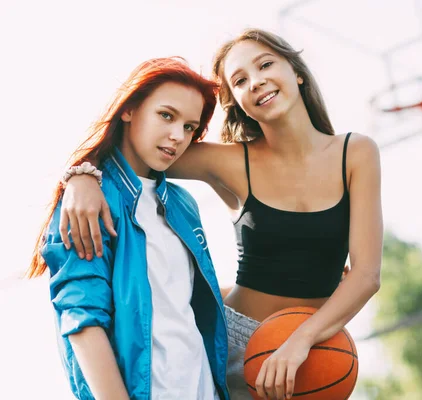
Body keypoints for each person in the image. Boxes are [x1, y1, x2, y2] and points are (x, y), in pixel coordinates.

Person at [60, 28, 382, 400]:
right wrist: (81, 176)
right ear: (239, 102)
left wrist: (301, 340)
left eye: (265, 65)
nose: (256, 82)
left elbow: (367, 275)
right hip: (236, 345)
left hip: (315, 347)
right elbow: (130, 145)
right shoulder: (229, 162)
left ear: (297, 71)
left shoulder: (356, 153)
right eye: (241, 80)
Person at [27, 57, 230, 400]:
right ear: (129, 110)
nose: (177, 136)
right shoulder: (90, 199)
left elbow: (179, 301)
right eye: (166, 115)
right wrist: (81, 176)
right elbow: (82, 320)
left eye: (190, 127)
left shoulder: (183, 204)